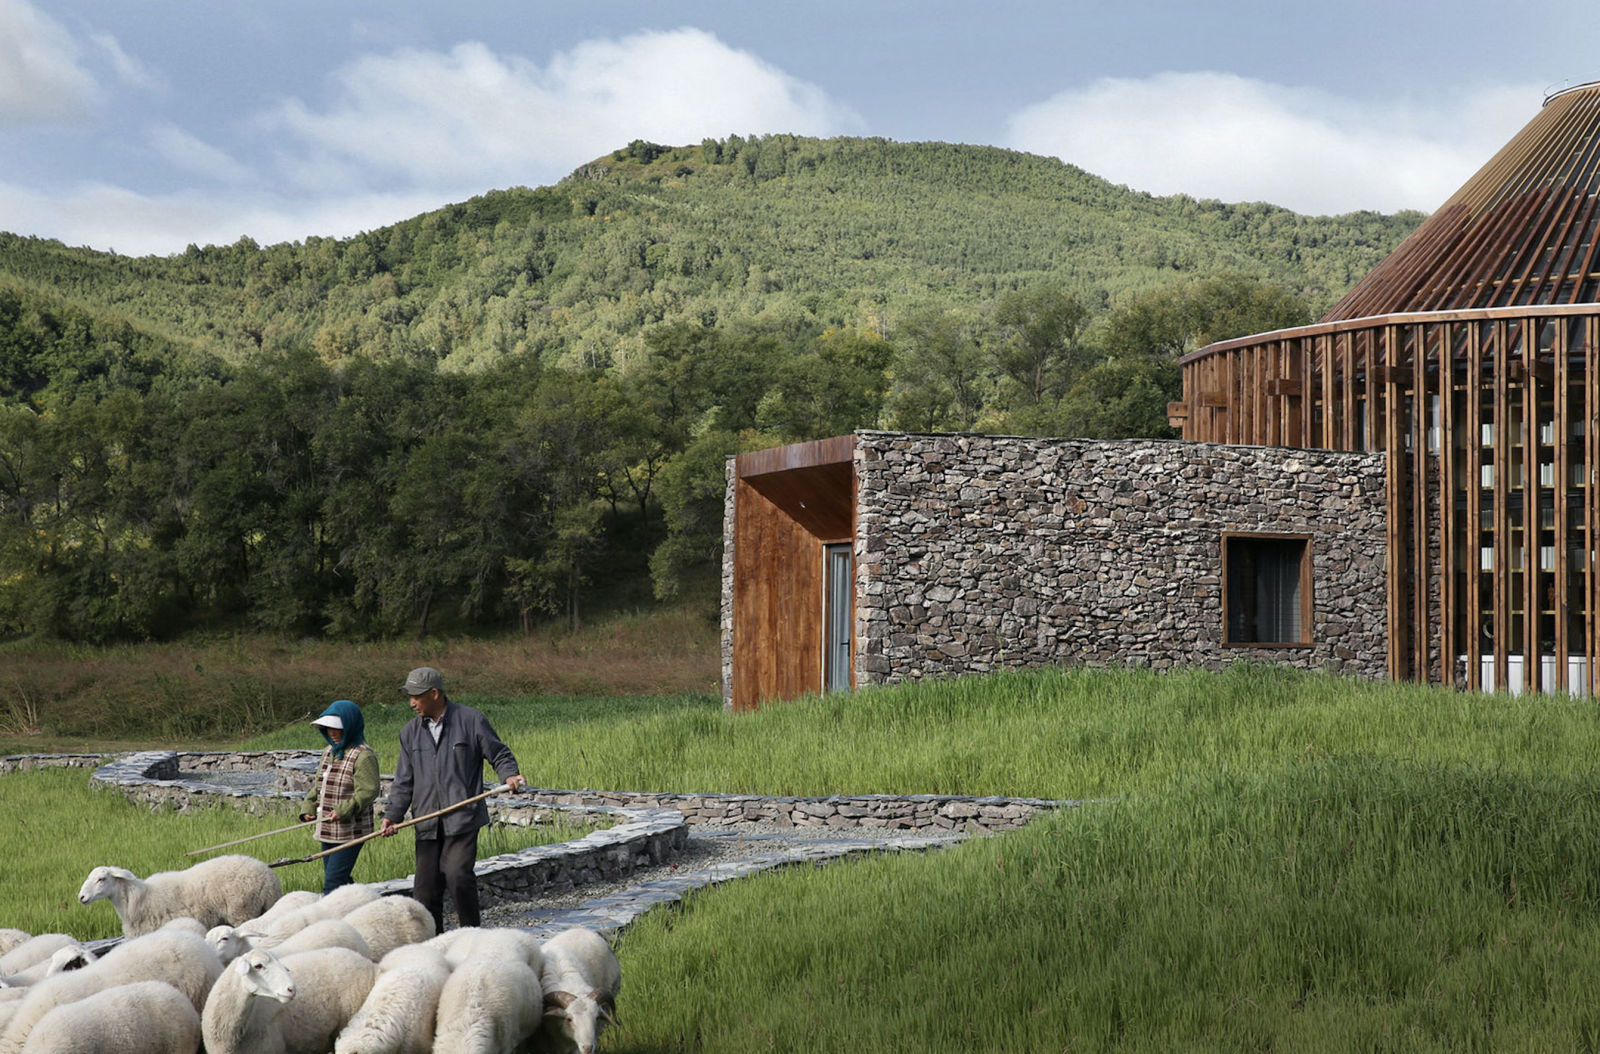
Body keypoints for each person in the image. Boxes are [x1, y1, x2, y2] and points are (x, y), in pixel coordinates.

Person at [379, 666, 526, 933]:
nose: (411, 703)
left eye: (416, 696)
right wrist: (393, 815)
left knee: (458, 876)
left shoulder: (471, 721)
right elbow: (404, 780)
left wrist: (510, 775)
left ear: (434, 693)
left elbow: (499, 753)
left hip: (462, 818)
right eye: (409, 696)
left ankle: (472, 935)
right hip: (427, 821)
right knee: (425, 891)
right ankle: (435, 944)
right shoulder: (409, 733)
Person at [298, 699, 380, 893]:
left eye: (338, 729)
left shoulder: (363, 755)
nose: (332, 733)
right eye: (328, 729)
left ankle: (331, 921)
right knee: (340, 880)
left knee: (332, 884)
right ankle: (363, 905)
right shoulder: (329, 752)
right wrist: (308, 807)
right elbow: (319, 785)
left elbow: (369, 790)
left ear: (351, 727)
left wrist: (343, 810)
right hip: (327, 828)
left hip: (350, 831)